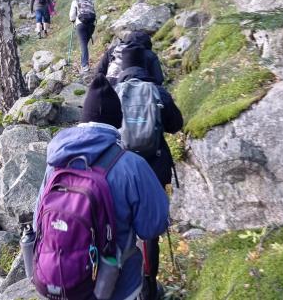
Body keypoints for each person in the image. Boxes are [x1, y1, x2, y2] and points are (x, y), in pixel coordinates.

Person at [34, 73, 169, 300]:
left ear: (82, 118)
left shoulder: (55, 163)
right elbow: (152, 227)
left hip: (60, 279)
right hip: (116, 286)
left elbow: (39, 217)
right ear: (117, 122)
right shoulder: (132, 165)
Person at [116, 43, 183, 300]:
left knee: (123, 229)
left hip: (121, 171)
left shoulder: (114, 92)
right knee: (151, 232)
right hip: (154, 168)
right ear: (144, 65)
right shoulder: (157, 91)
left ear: (123, 67)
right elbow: (176, 125)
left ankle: (125, 285)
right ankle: (150, 288)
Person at [96, 30, 164, 86]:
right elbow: (158, 79)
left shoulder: (113, 50)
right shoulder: (150, 54)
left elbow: (99, 71)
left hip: (110, 89)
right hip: (139, 92)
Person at [69, 0, 96, 73]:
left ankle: (85, 66)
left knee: (83, 45)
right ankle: (83, 63)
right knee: (84, 44)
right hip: (91, 24)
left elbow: (72, 16)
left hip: (80, 24)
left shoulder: (75, 1)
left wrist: (73, 20)